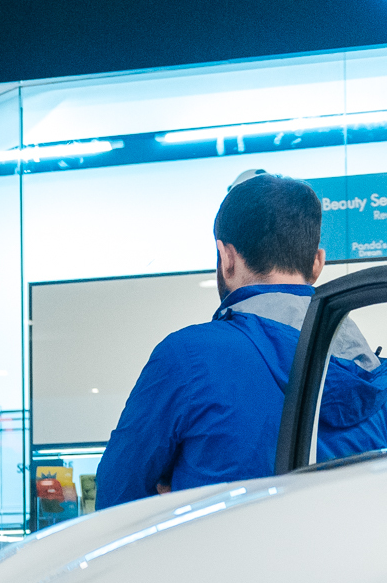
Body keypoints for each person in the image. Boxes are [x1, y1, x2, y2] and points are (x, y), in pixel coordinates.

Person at [97, 170, 387, 507]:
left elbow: (117, 498)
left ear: (226, 258)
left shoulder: (188, 357)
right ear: (317, 263)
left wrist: (173, 499)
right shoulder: (372, 376)